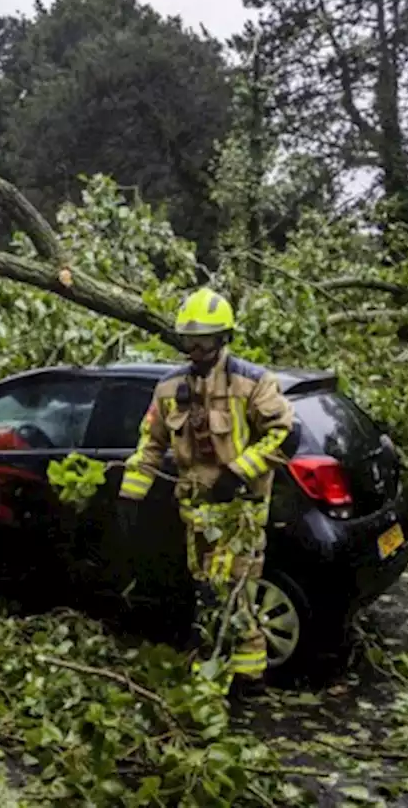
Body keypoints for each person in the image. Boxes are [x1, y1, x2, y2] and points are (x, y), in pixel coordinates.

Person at [118, 287, 298, 694]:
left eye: (204, 342)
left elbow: (285, 436)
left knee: (230, 589)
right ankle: (246, 670)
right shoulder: (168, 388)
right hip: (195, 513)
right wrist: (131, 494)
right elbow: (151, 443)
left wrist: (237, 472)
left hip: (242, 511)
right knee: (214, 588)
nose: (195, 351)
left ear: (223, 339)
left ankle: (221, 671)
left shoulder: (252, 383)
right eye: (188, 341)